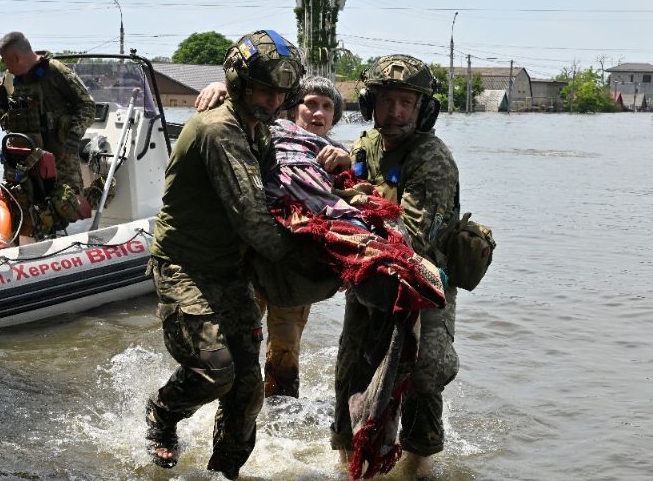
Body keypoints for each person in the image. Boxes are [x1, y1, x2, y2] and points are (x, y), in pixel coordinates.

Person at [145, 30, 303, 479]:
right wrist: (310, 261)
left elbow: (287, 179)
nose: (274, 101)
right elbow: (253, 219)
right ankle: (162, 413)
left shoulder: (258, 129)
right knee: (216, 371)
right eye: (265, 90)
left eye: (280, 92)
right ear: (240, 84)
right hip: (185, 267)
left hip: (230, 271)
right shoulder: (220, 130)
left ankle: (223, 472)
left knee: (249, 389)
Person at [331, 54, 460, 478]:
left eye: (407, 101)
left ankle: (418, 466)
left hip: (423, 286)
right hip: (371, 280)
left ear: (424, 108)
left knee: (425, 376)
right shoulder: (364, 145)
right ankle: (349, 458)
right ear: (371, 104)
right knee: (351, 371)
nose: (397, 112)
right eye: (388, 101)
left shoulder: (432, 159)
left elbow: (417, 239)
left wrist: (364, 202)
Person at [195, 75, 351, 398]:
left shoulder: (338, 155)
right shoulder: (267, 135)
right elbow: (237, 118)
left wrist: (349, 166)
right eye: (310, 104)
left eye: (327, 107)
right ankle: (230, 409)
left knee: (285, 353)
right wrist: (221, 88)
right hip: (249, 259)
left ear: (335, 116)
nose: (318, 113)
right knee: (234, 342)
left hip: (295, 270)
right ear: (293, 108)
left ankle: (280, 428)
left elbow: (355, 211)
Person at [0, 31, 95, 242]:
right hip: (20, 158)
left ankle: (69, 247)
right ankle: (23, 247)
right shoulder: (10, 78)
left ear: (17, 58)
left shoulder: (55, 72)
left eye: (4, 59)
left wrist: (74, 136)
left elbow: (86, 105)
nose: (3, 64)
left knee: (64, 204)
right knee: (19, 201)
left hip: (58, 156)